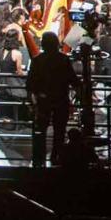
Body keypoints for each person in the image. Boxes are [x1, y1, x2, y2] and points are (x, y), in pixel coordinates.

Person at [26, 31, 78, 168]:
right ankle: (56, 156)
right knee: (59, 131)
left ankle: (39, 159)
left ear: (43, 43)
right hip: (61, 100)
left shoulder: (37, 60)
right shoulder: (64, 59)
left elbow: (30, 83)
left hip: (43, 101)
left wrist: (35, 98)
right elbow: (73, 80)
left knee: (40, 131)